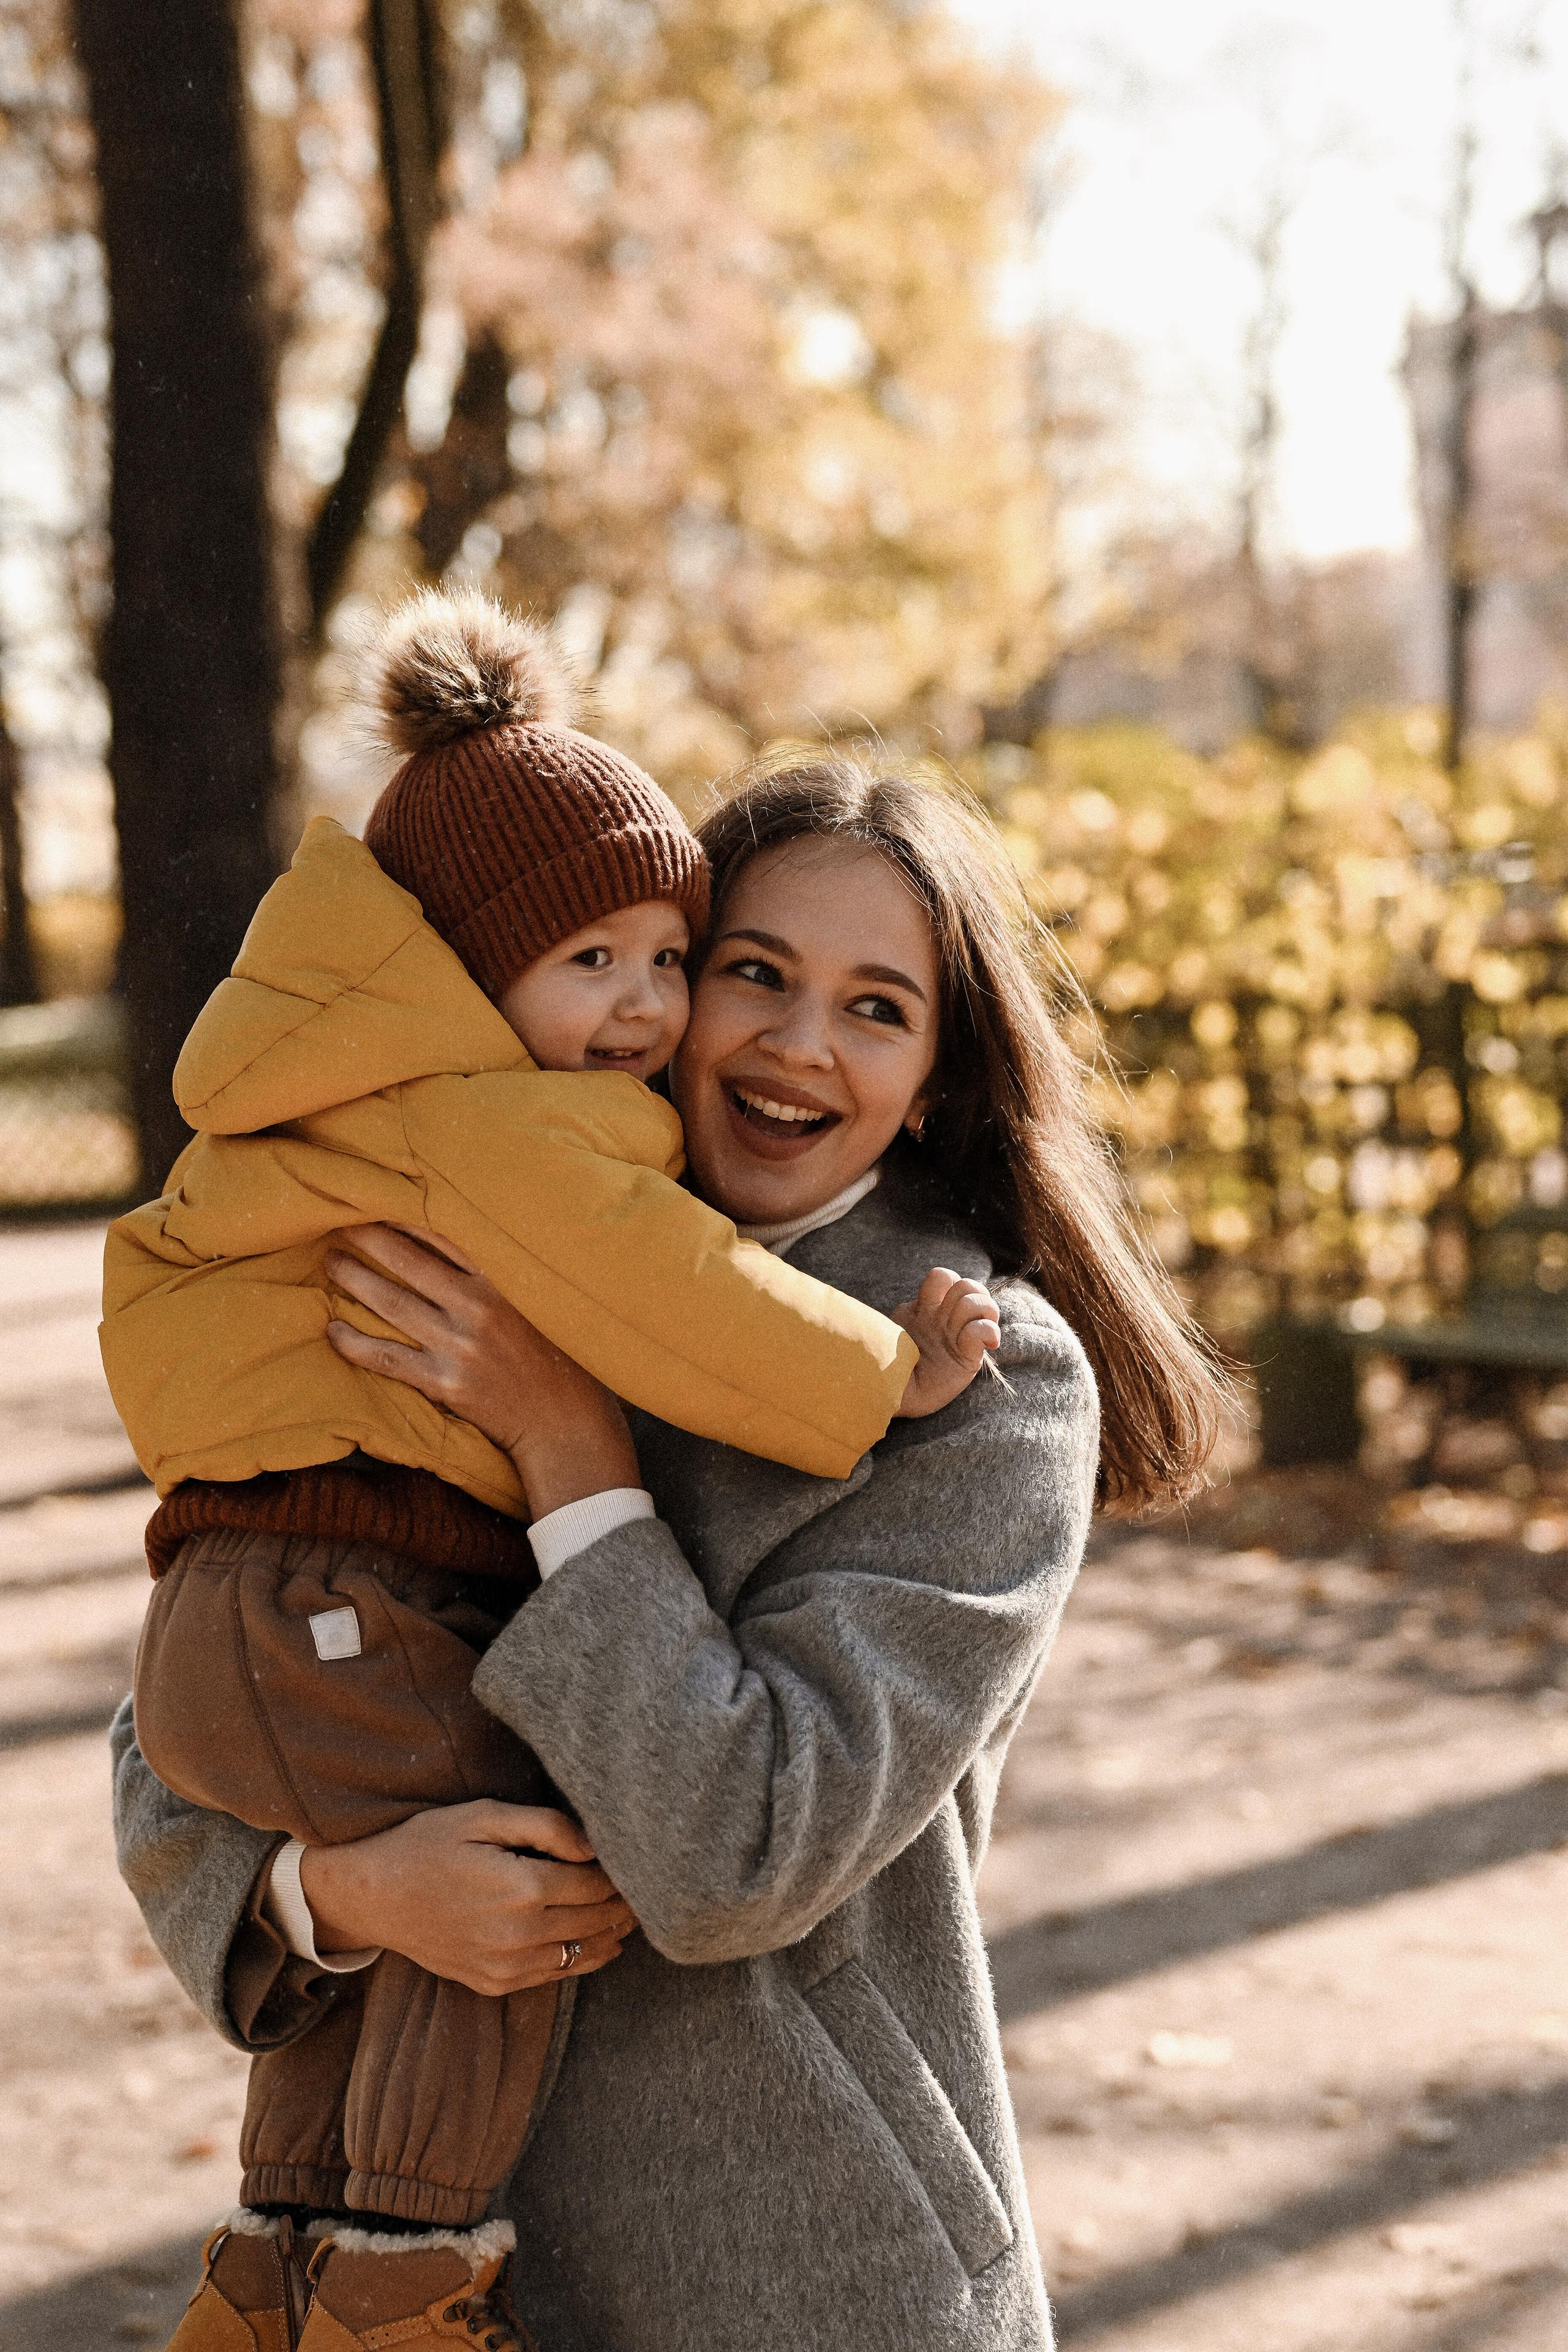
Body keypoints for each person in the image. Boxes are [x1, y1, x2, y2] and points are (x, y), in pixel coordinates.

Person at [111, 752, 1229, 2352]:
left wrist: (566, 1448)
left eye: (876, 1008)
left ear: (941, 1078)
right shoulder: (453, 1239)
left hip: (805, 2284)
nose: (796, 1044)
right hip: (442, 2283)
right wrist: (341, 1892)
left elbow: (741, 1853)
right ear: (654, 979)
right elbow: (203, 1687)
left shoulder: (983, 1382)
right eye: (752, 974)